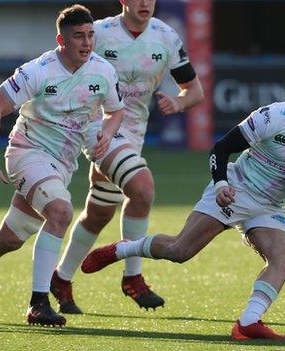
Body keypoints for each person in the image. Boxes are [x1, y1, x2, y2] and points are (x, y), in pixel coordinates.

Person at [81, 70, 285, 339]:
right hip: (237, 188)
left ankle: (248, 323)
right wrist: (222, 185)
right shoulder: (276, 115)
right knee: (179, 251)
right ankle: (122, 249)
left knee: (283, 260)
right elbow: (221, 149)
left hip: (269, 204)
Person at [0, 4, 125, 326]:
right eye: (78, 36)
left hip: (61, 164)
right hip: (27, 153)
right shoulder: (38, 70)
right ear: (60, 40)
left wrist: (107, 131)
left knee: (10, 238)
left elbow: (115, 110)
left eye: (90, 35)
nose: (86, 42)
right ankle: (38, 303)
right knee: (61, 211)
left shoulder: (103, 70)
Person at [50, 0, 204, 314]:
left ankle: (61, 278)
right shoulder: (100, 33)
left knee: (99, 212)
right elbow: (63, 66)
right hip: (96, 125)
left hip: (133, 134)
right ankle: (133, 276)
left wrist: (179, 103)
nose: (145, 3)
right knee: (143, 188)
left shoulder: (166, 36)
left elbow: (195, 91)